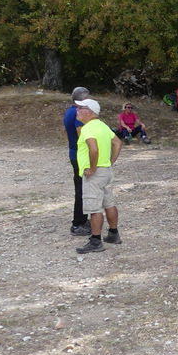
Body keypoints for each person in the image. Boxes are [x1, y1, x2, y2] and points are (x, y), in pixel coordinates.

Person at [73, 98, 123, 254]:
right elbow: (117, 142)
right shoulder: (103, 126)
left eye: (80, 107)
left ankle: (95, 241)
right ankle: (113, 234)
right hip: (106, 171)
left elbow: (93, 150)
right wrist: (110, 162)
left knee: (95, 208)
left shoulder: (87, 128)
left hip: (95, 173)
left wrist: (92, 168)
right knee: (109, 203)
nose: (76, 110)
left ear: (89, 111)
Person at [64, 86, 91, 236]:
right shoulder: (78, 114)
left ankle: (82, 219)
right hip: (80, 156)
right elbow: (82, 136)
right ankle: (77, 223)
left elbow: (66, 132)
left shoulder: (69, 111)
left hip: (73, 153)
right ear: (84, 99)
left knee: (80, 187)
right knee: (82, 190)